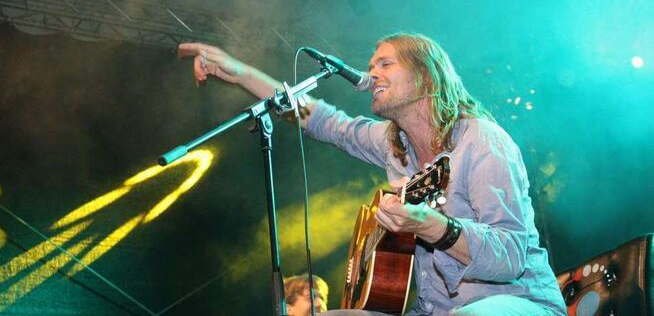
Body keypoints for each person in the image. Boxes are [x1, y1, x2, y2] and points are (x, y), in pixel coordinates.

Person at [177, 33, 567, 315]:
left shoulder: (481, 140)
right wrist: (240, 72)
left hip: (516, 302)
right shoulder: (392, 142)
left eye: (385, 63)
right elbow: (320, 119)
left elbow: (511, 256)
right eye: (369, 67)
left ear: (426, 75)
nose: (372, 74)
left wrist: (435, 227)